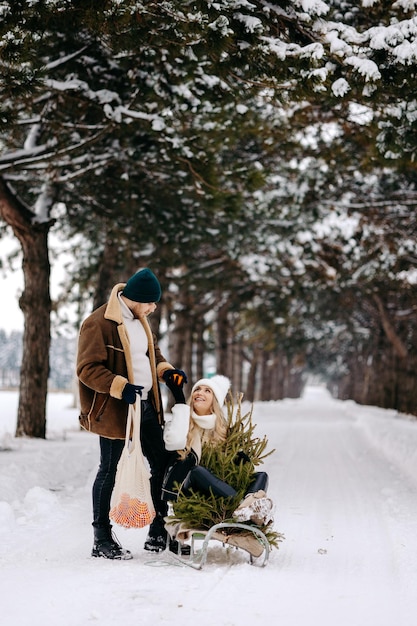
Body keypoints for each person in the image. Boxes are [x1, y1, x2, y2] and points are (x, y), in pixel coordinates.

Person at [76, 267, 187, 559]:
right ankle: (101, 538)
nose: (153, 308)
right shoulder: (98, 323)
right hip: (115, 410)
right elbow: (87, 369)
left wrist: (167, 372)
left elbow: (153, 355)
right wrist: (119, 386)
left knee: (163, 462)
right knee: (108, 470)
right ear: (136, 298)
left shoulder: (140, 321)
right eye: (151, 303)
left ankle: (158, 527)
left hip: (147, 407)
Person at [162, 374, 272, 525]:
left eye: (207, 390)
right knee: (197, 471)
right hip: (187, 491)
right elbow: (173, 441)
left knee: (261, 476)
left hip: (216, 494)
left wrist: (240, 460)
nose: (199, 393)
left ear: (215, 400)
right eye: (197, 389)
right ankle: (244, 506)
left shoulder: (222, 430)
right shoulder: (180, 423)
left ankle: (248, 504)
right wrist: (181, 406)